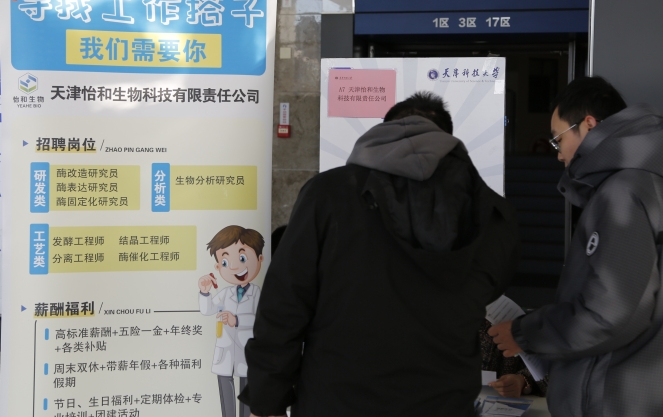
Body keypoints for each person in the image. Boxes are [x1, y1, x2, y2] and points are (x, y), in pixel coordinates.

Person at [240, 92, 520, 416]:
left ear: (384, 132)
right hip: (445, 401)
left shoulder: (327, 194)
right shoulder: (491, 212)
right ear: (446, 141)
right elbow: (490, 288)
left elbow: (285, 303)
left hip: (338, 401)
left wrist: (267, 398)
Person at [489, 76, 663, 417]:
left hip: (619, 399)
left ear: (588, 124)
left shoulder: (621, 192)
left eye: (559, 139)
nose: (559, 155)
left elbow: (608, 314)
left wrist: (523, 333)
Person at [198, 225, 266, 417]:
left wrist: (236, 320)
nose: (235, 267)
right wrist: (204, 292)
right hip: (226, 350)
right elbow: (208, 310)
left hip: (246, 350)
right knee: (225, 388)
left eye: (242, 258)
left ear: (260, 260)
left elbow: (261, 319)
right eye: (226, 262)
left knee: (246, 391)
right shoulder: (225, 293)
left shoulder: (257, 293)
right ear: (218, 267)